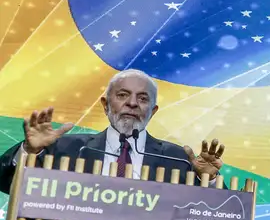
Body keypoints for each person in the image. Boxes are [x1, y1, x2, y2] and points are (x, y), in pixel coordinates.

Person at [0, 69, 225, 194]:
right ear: (105, 105)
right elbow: (7, 184)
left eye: (143, 98)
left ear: (153, 111)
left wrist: (209, 179)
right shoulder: (67, 149)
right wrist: (30, 151)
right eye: (122, 95)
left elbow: (215, 216)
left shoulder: (177, 159)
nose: (132, 103)